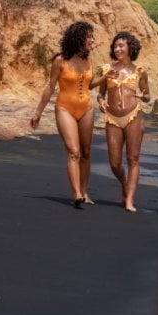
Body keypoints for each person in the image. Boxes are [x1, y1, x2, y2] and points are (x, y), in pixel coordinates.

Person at [29, 20, 105, 208]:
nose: (92, 40)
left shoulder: (89, 59)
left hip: (86, 108)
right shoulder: (59, 60)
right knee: (74, 151)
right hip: (65, 108)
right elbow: (50, 87)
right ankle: (77, 194)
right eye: (89, 36)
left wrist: (106, 78)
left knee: (86, 153)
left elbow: (89, 85)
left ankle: (85, 192)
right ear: (78, 38)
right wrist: (38, 112)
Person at [97, 30, 150, 213]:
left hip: (134, 115)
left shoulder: (140, 71)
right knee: (114, 163)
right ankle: (125, 183)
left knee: (133, 159)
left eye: (121, 45)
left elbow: (147, 95)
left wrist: (144, 96)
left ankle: (129, 199)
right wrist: (101, 102)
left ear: (130, 47)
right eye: (115, 46)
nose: (117, 49)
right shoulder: (106, 69)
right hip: (112, 117)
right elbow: (100, 93)